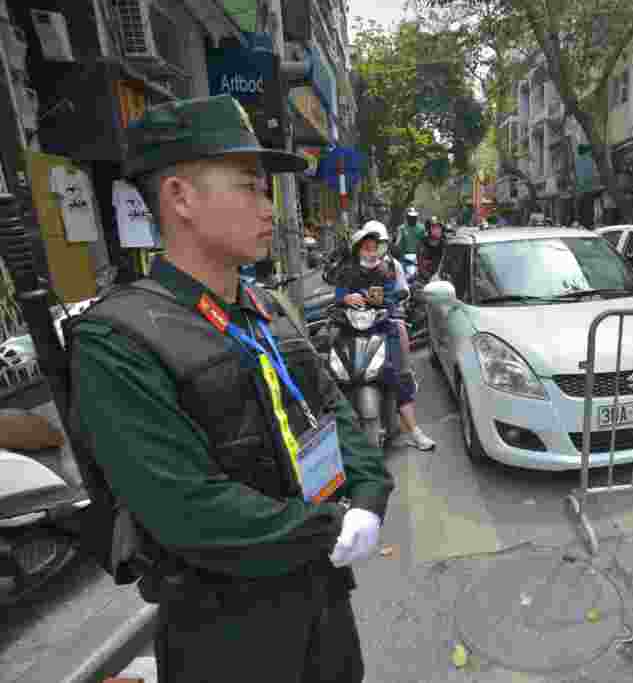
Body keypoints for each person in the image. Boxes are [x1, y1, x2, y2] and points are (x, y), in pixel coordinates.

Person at [66, 95, 394, 682]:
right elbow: (184, 505)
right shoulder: (117, 338)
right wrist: (327, 526)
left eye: (266, 190)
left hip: (323, 602)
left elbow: (329, 409)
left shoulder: (267, 306)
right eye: (249, 186)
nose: (268, 207)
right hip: (226, 631)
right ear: (180, 197)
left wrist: (369, 493)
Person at [335, 222, 436, 451]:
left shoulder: (389, 269)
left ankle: (414, 431)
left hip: (383, 327)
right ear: (358, 249)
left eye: (375, 247)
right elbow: (338, 295)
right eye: (366, 248)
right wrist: (345, 299)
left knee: (399, 376)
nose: (372, 252)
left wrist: (382, 304)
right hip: (353, 330)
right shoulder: (347, 271)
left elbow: (394, 297)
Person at [416, 219, 445, 286]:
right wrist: (429, 278)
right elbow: (420, 265)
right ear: (429, 229)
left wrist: (439, 276)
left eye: (439, 228)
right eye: (434, 228)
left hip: (441, 278)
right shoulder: (422, 243)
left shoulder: (445, 244)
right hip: (425, 278)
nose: (437, 230)